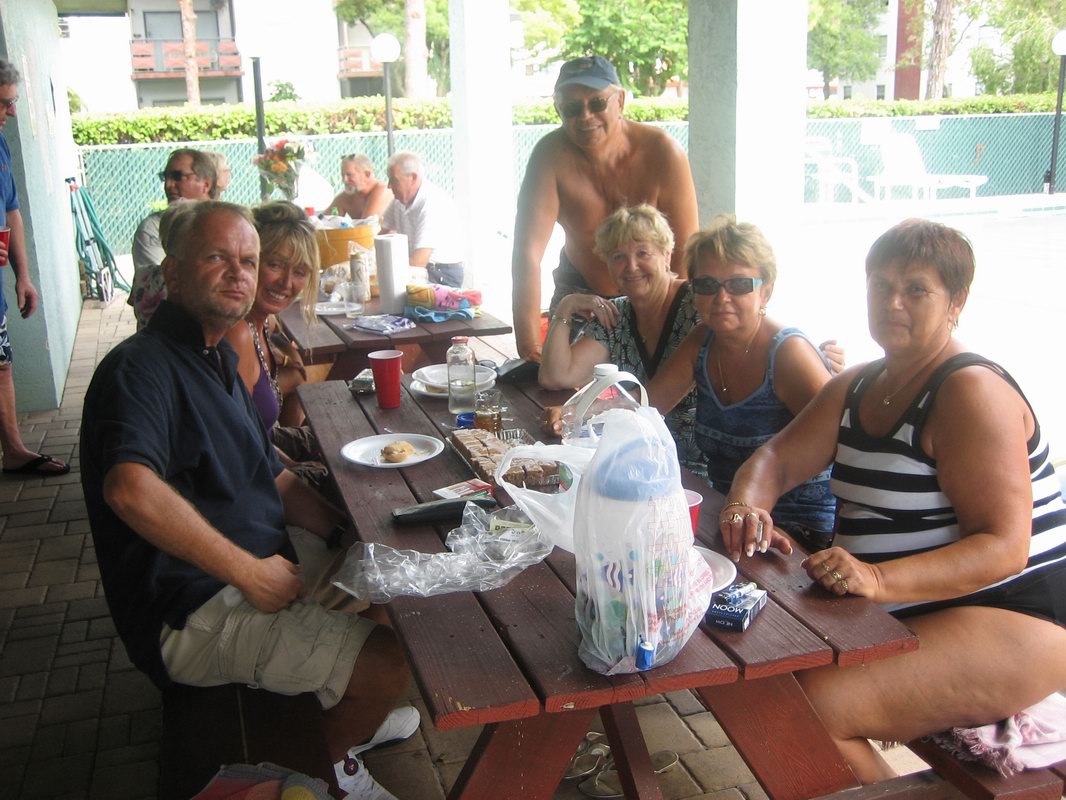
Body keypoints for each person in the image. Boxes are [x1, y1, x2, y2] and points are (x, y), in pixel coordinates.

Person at [81, 201, 417, 800]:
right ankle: (328, 767)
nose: (239, 273)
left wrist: (346, 537)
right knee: (389, 662)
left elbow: (274, 477)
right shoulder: (140, 368)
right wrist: (249, 573)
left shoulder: (214, 359)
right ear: (174, 272)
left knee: (392, 586)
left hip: (260, 564)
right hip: (193, 611)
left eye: (247, 260)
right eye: (218, 258)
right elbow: (129, 488)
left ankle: (347, 717)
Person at [719, 218, 1066, 784]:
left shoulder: (970, 391)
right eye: (880, 285)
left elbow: (1005, 548)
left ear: (956, 302)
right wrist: (744, 506)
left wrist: (877, 579)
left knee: (805, 705)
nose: (893, 302)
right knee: (761, 673)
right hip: (916, 607)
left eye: (915, 289)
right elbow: (775, 459)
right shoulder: (859, 385)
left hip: (1018, 616)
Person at [648, 215, 837, 551]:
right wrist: (576, 412)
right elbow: (644, 410)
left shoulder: (788, 354)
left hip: (800, 533)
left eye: (738, 284)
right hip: (731, 518)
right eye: (707, 285)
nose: (721, 297)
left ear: (766, 291)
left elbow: (842, 441)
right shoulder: (703, 341)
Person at [511, 55, 698, 361]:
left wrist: (677, 320)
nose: (585, 116)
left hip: (653, 292)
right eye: (572, 108)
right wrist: (529, 351)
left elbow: (685, 253)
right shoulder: (549, 157)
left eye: (597, 103)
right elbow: (527, 256)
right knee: (559, 378)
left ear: (620, 101)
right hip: (581, 290)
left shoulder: (663, 152)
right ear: (558, 110)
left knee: (656, 379)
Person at [538, 204, 704, 476]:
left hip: (696, 469)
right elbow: (556, 376)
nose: (631, 266)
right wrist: (566, 307)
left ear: (667, 256)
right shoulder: (617, 314)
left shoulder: (697, 308)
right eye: (618, 257)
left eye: (643, 253)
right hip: (639, 460)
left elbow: (651, 402)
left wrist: (576, 412)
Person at [0, 59, 69, 477]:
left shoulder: (1, 145)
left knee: (1, 364)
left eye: (13, 102)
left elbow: (12, 212)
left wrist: (23, 276)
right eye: (3, 103)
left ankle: (13, 450)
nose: (11, 112)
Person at [224, 201, 323, 479]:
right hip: (249, 476)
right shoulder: (237, 333)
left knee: (350, 435)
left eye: (300, 272)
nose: (286, 283)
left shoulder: (266, 321)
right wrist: (295, 472)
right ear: (250, 261)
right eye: (275, 265)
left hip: (266, 447)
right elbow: (237, 443)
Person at [129, 148, 215, 326]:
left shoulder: (228, 225)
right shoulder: (153, 228)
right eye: (165, 177)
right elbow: (158, 289)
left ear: (206, 184)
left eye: (177, 176)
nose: (168, 185)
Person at [382, 151, 465, 288]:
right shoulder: (399, 201)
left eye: (394, 180)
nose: (389, 185)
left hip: (440, 274)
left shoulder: (433, 202)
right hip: (419, 269)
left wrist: (382, 271)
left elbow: (418, 262)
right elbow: (381, 233)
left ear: (413, 177)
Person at [328, 154, 391, 220]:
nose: (344, 180)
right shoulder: (348, 195)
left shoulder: (383, 190)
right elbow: (324, 221)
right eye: (342, 175)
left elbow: (367, 224)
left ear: (367, 174)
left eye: (349, 175)